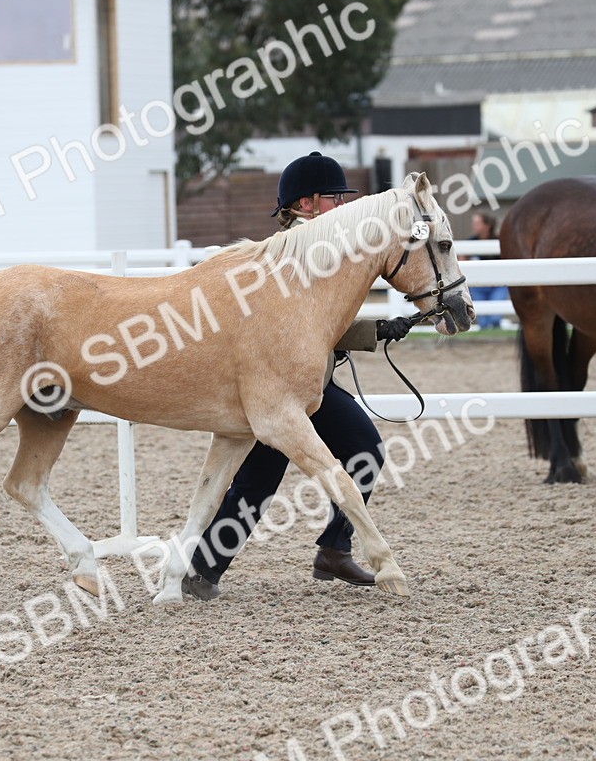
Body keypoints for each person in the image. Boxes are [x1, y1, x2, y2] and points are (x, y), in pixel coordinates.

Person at [181, 152, 412, 601]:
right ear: (306, 204)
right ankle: (203, 569)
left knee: (362, 450)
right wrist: (374, 331)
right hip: (279, 387)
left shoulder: (325, 247)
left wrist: (377, 329)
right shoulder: (290, 251)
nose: (342, 206)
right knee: (261, 478)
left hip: (314, 387)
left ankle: (332, 548)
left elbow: (323, 325)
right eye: (334, 198)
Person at [467, 211, 509, 329]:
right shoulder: (469, 243)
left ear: (487, 225)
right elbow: (461, 263)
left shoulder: (499, 241)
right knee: (483, 322)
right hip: (478, 286)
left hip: (497, 285)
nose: (473, 226)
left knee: (495, 318)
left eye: (477, 223)